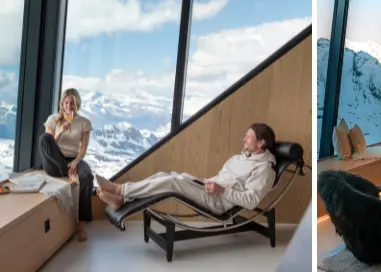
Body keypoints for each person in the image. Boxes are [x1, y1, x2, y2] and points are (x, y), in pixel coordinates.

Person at [95, 123, 278, 215]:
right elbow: (226, 177)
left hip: (219, 201)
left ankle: (120, 190)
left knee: (172, 182)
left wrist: (222, 189)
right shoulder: (245, 156)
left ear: (261, 143)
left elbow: (252, 200)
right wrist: (206, 181)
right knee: (167, 174)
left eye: (248, 137)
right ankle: (122, 200)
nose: (244, 139)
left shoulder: (264, 169)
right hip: (210, 187)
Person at [40, 88, 94, 242]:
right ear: (62, 104)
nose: (69, 106)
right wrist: (61, 131)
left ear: (78, 105)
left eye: (73, 103)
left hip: (73, 159)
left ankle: (82, 224)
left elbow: (83, 150)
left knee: (87, 176)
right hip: (54, 160)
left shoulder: (84, 123)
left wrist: (76, 162)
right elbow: (49, 145)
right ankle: (67, 171)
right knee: (44, 138)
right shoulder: (53, 120)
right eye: (66, 103)